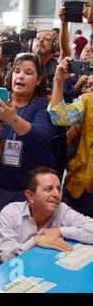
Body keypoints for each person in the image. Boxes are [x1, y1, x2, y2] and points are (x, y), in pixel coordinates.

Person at [0, 53, 56, 238]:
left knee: (25, 239)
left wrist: (13, 119)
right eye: (17, 71)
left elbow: (42, 137)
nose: (20, 76)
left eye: (28, 72)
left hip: (28, 191)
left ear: (39, 79)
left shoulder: (43, 104)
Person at [0, 167, 93, 263]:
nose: (57, 194)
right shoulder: (11, 213)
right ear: (30, 196)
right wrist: (34, 241)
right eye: (48, 189)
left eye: (59, 189)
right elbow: (5, 258)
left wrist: (61, 231)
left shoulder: (62, 210)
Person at [47, 56, 93, 218]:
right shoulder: (88, 100)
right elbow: (58, 116)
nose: (90, 88)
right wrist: (58, 80)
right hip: (82, 187)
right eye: (89, 86)